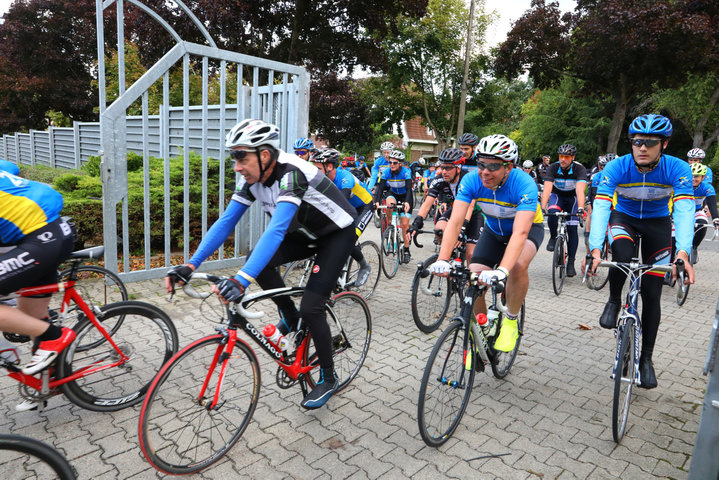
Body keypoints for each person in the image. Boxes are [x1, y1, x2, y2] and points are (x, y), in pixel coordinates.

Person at [167, 119, 358, 409]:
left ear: (264, 155)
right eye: (234, 157)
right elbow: (226, 222)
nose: (237, 166)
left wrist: (241, 280)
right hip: (304, 233)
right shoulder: (252, 180)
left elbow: (277, 230)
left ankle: (329, 377)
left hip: (336, 233)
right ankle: (291, 319)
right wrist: (190, 265)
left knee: (312, 306)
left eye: (241, 157)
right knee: (259, 263)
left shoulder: (292, 173)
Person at [583, 114, 695, 389]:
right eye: (636, 142)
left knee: (652, 293)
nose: (642, 148)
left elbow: (683, 211)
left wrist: (683, 253)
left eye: (649, 142)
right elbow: (600, 209)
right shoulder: (616, 168)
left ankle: (646, 360)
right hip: (624, 219)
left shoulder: (678, 169)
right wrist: (595, 249)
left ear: (664, 144)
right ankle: (612, 300)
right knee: (621, 256)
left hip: (658, 224)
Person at [428, 134, 544, 352]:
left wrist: (502, 270)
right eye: (481, 164)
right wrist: (443, 258)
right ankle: (483, 324)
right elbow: (455, 222)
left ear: (508, 167)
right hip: (493, 231)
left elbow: (520, 233)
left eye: (493, 166)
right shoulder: (472, 180)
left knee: (517, 266)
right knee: (475, 276)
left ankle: (510, 319)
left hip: (526, 231)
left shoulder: (524, 183)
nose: (485, 171)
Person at [0, 171, 76, 380]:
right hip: (41, 235)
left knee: (38, 327)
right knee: (30, 318)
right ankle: (49, 381)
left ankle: (56, 336)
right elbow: (10, 167)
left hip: (42, 238)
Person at [310, 148, 374, 285]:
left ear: (329, 167)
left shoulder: (345, 177)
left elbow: (341, 203)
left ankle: (364, 265)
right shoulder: (321, 179)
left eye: (318, 168)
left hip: (364, 207)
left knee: (347, 238)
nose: (315, 172)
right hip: (348, 208)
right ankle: (338, 273)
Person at [407, 148, 482, 260]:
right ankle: (450, 258)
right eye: (442, 167)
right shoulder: (439, 180)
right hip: (456, 211)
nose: (444, 171)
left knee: (471, 254)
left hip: (474, 214)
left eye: (448, 168)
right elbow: (427, 204)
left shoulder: (467, 179)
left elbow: (470, 207)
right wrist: (417, 223)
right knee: (439, 228)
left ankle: (469, 277)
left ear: (458, 168)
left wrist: (462, 230)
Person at [541, 143, 587, 277]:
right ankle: (554, 237)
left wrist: (580, 208)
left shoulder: (579, 169)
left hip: (573, 199)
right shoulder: (553, 167)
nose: (563, 159)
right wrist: (543, 207)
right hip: (558, 196)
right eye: (561, 156)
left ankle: (571, 262)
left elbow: (580, 190)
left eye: (566, 157)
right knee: (553, 212)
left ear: (573, 157)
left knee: (572, 229)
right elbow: (547, 188)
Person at [373, 150, 414, 262]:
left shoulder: (406, 172)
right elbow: (380, 188)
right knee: (389, 203)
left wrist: (406, 202)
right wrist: (376, 201)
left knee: (405, 225)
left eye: (395, 163)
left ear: (400, 163)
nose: (392, 164)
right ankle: (391, 224)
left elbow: (409, 189)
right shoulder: (386, 172)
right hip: (393, 194)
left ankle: (406, 249)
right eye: (390, 162)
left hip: (406, 196)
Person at [689, 162, 719, 262]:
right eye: (691, 176)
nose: (693, 179)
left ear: (702, 177)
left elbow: (712, 204)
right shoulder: (682, 185)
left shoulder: (707, 187)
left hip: (697, 211)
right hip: (681, 212)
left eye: (696, 176)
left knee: (703, 224)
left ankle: (694, 247)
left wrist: (715, 219)